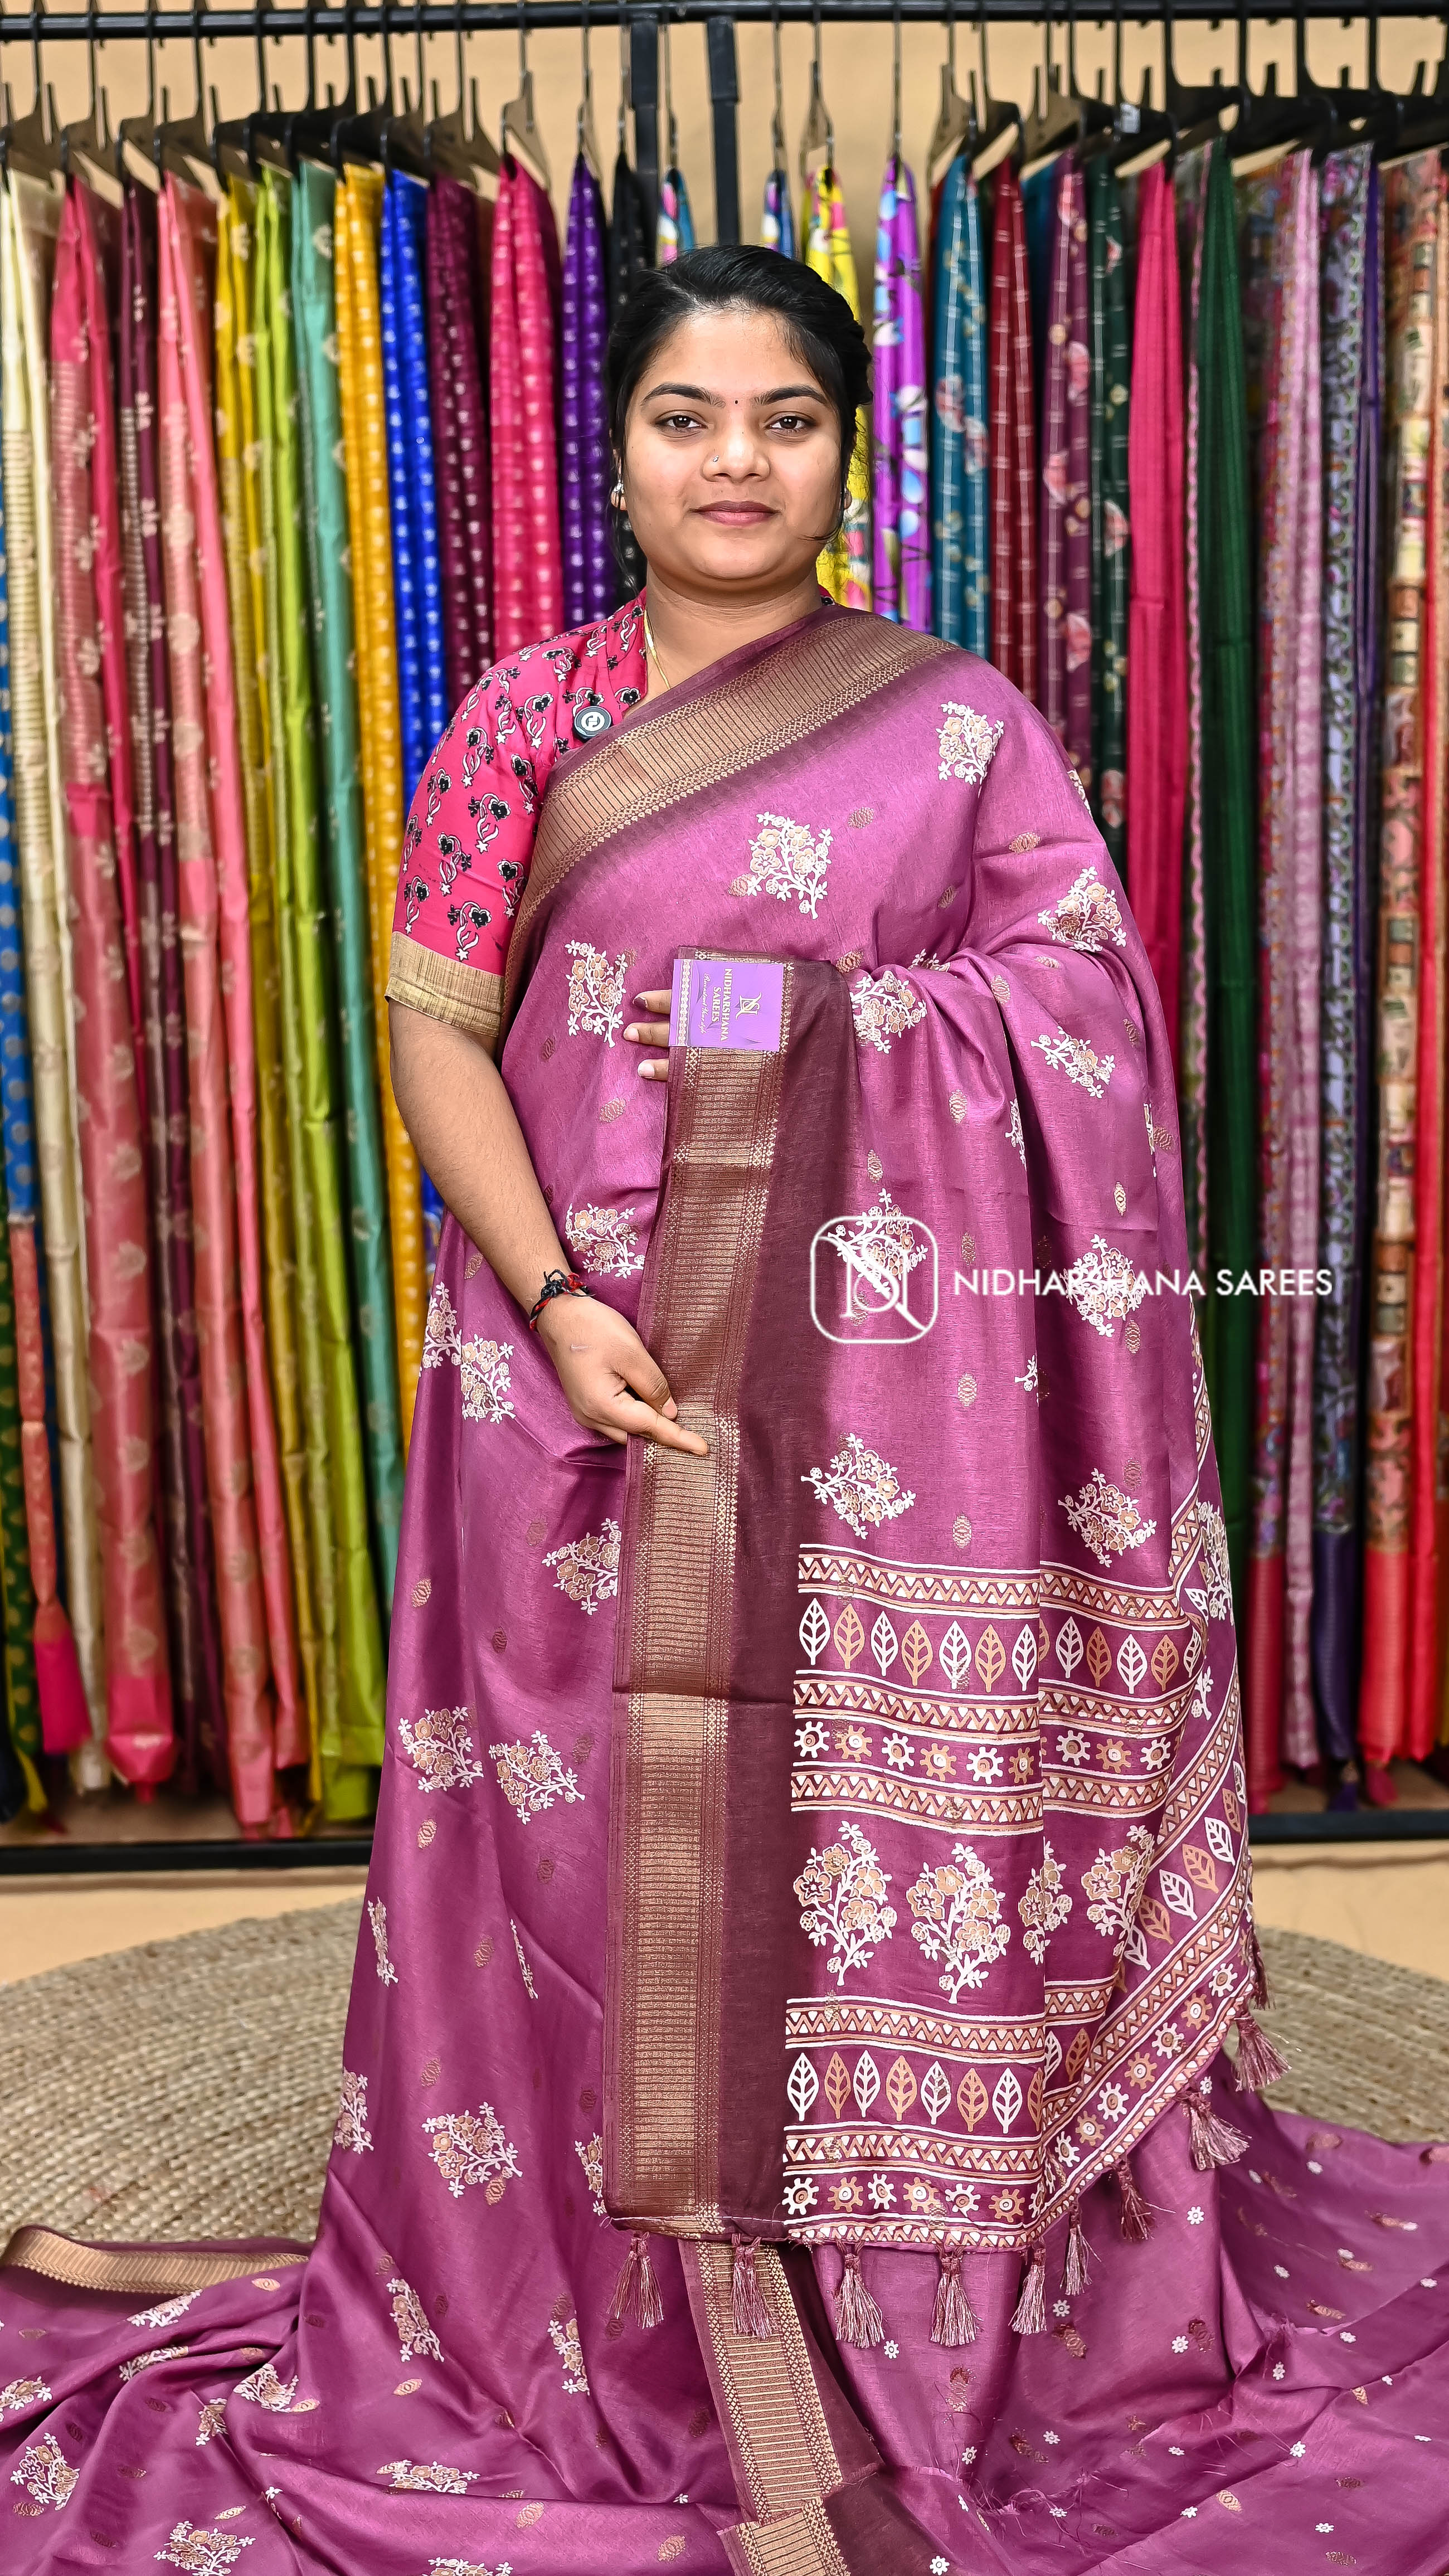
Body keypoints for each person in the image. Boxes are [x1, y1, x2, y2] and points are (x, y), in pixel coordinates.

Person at [3, 244, 1446, 2576]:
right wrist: (556, 1296)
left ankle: (887, 2293)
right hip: (567, 1370)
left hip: (877, 1398)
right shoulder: (524, 719)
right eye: (686, 418)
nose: (734, 462)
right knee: (564, 1827)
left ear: (849, 449)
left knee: (831, 1835)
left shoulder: (956, 727)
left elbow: (1081, 1022)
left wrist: (825, 1033)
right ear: (620, 455)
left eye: (784, 417)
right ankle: (564, 2293)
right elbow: (434, 1026)